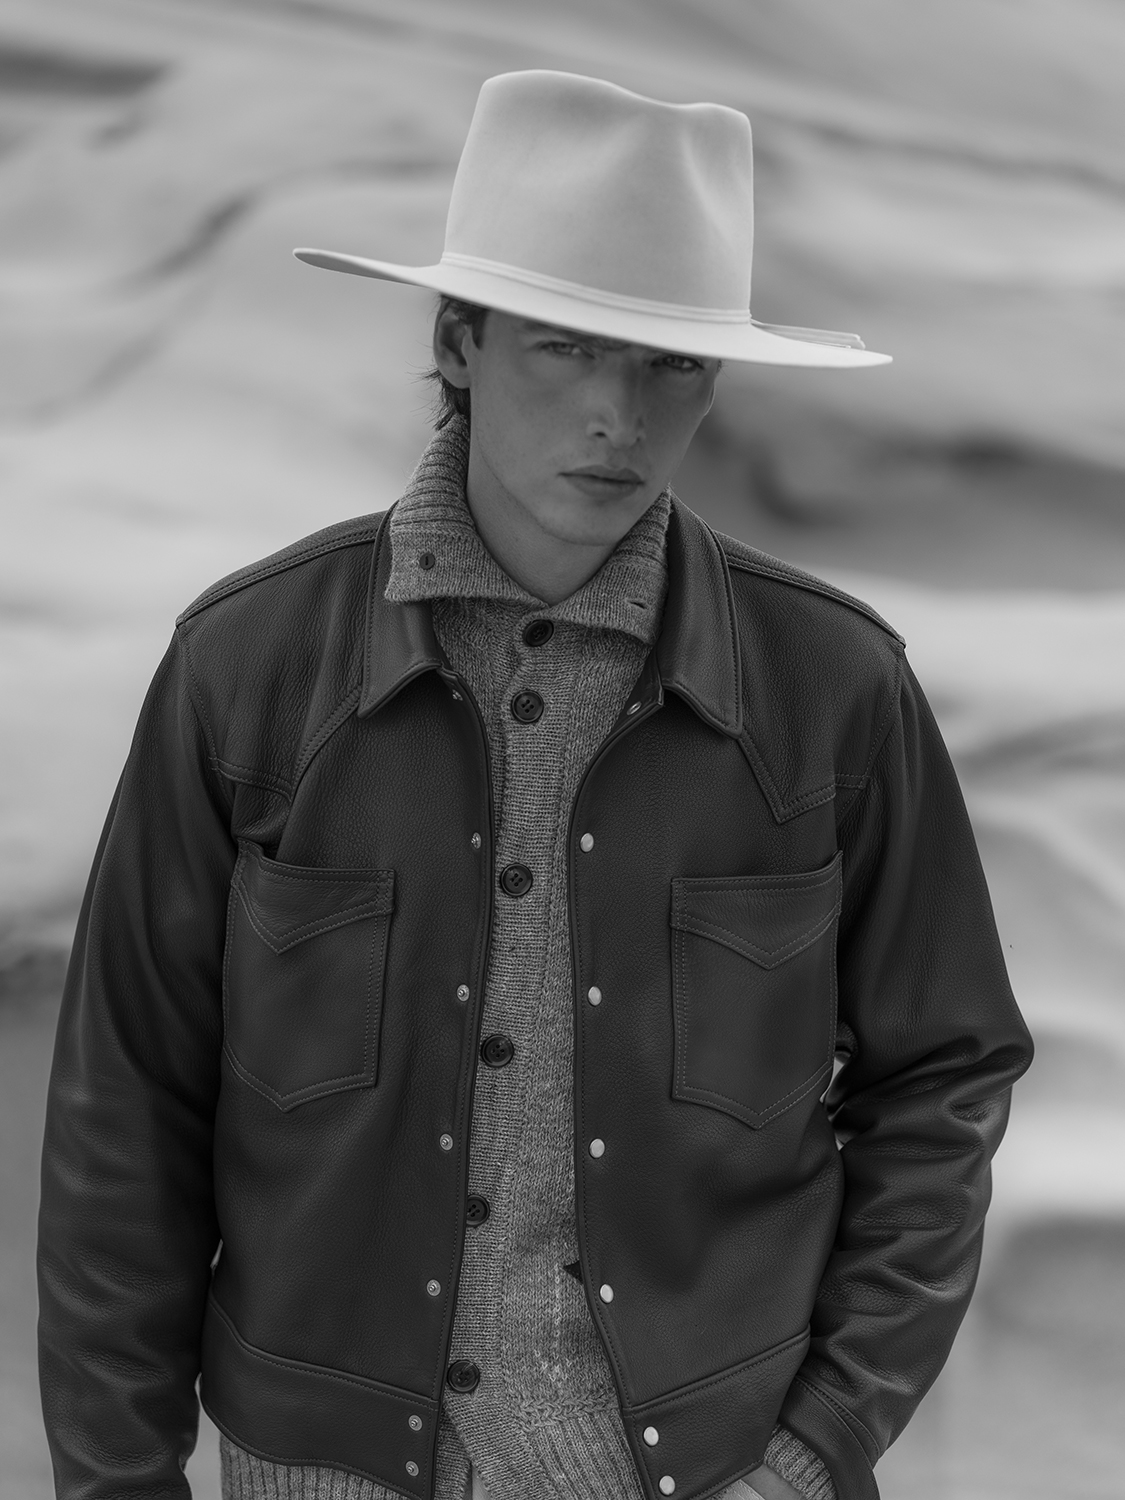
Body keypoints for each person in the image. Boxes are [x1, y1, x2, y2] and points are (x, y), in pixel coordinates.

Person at [37, 69, 1032, 1500]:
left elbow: (943, 1076)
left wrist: (821, 1445)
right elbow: (124, 1115)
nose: (619, 416)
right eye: (567, 349)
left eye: (671, 364)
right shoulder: (245, 667)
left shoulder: (834, 688)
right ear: (458, 341)